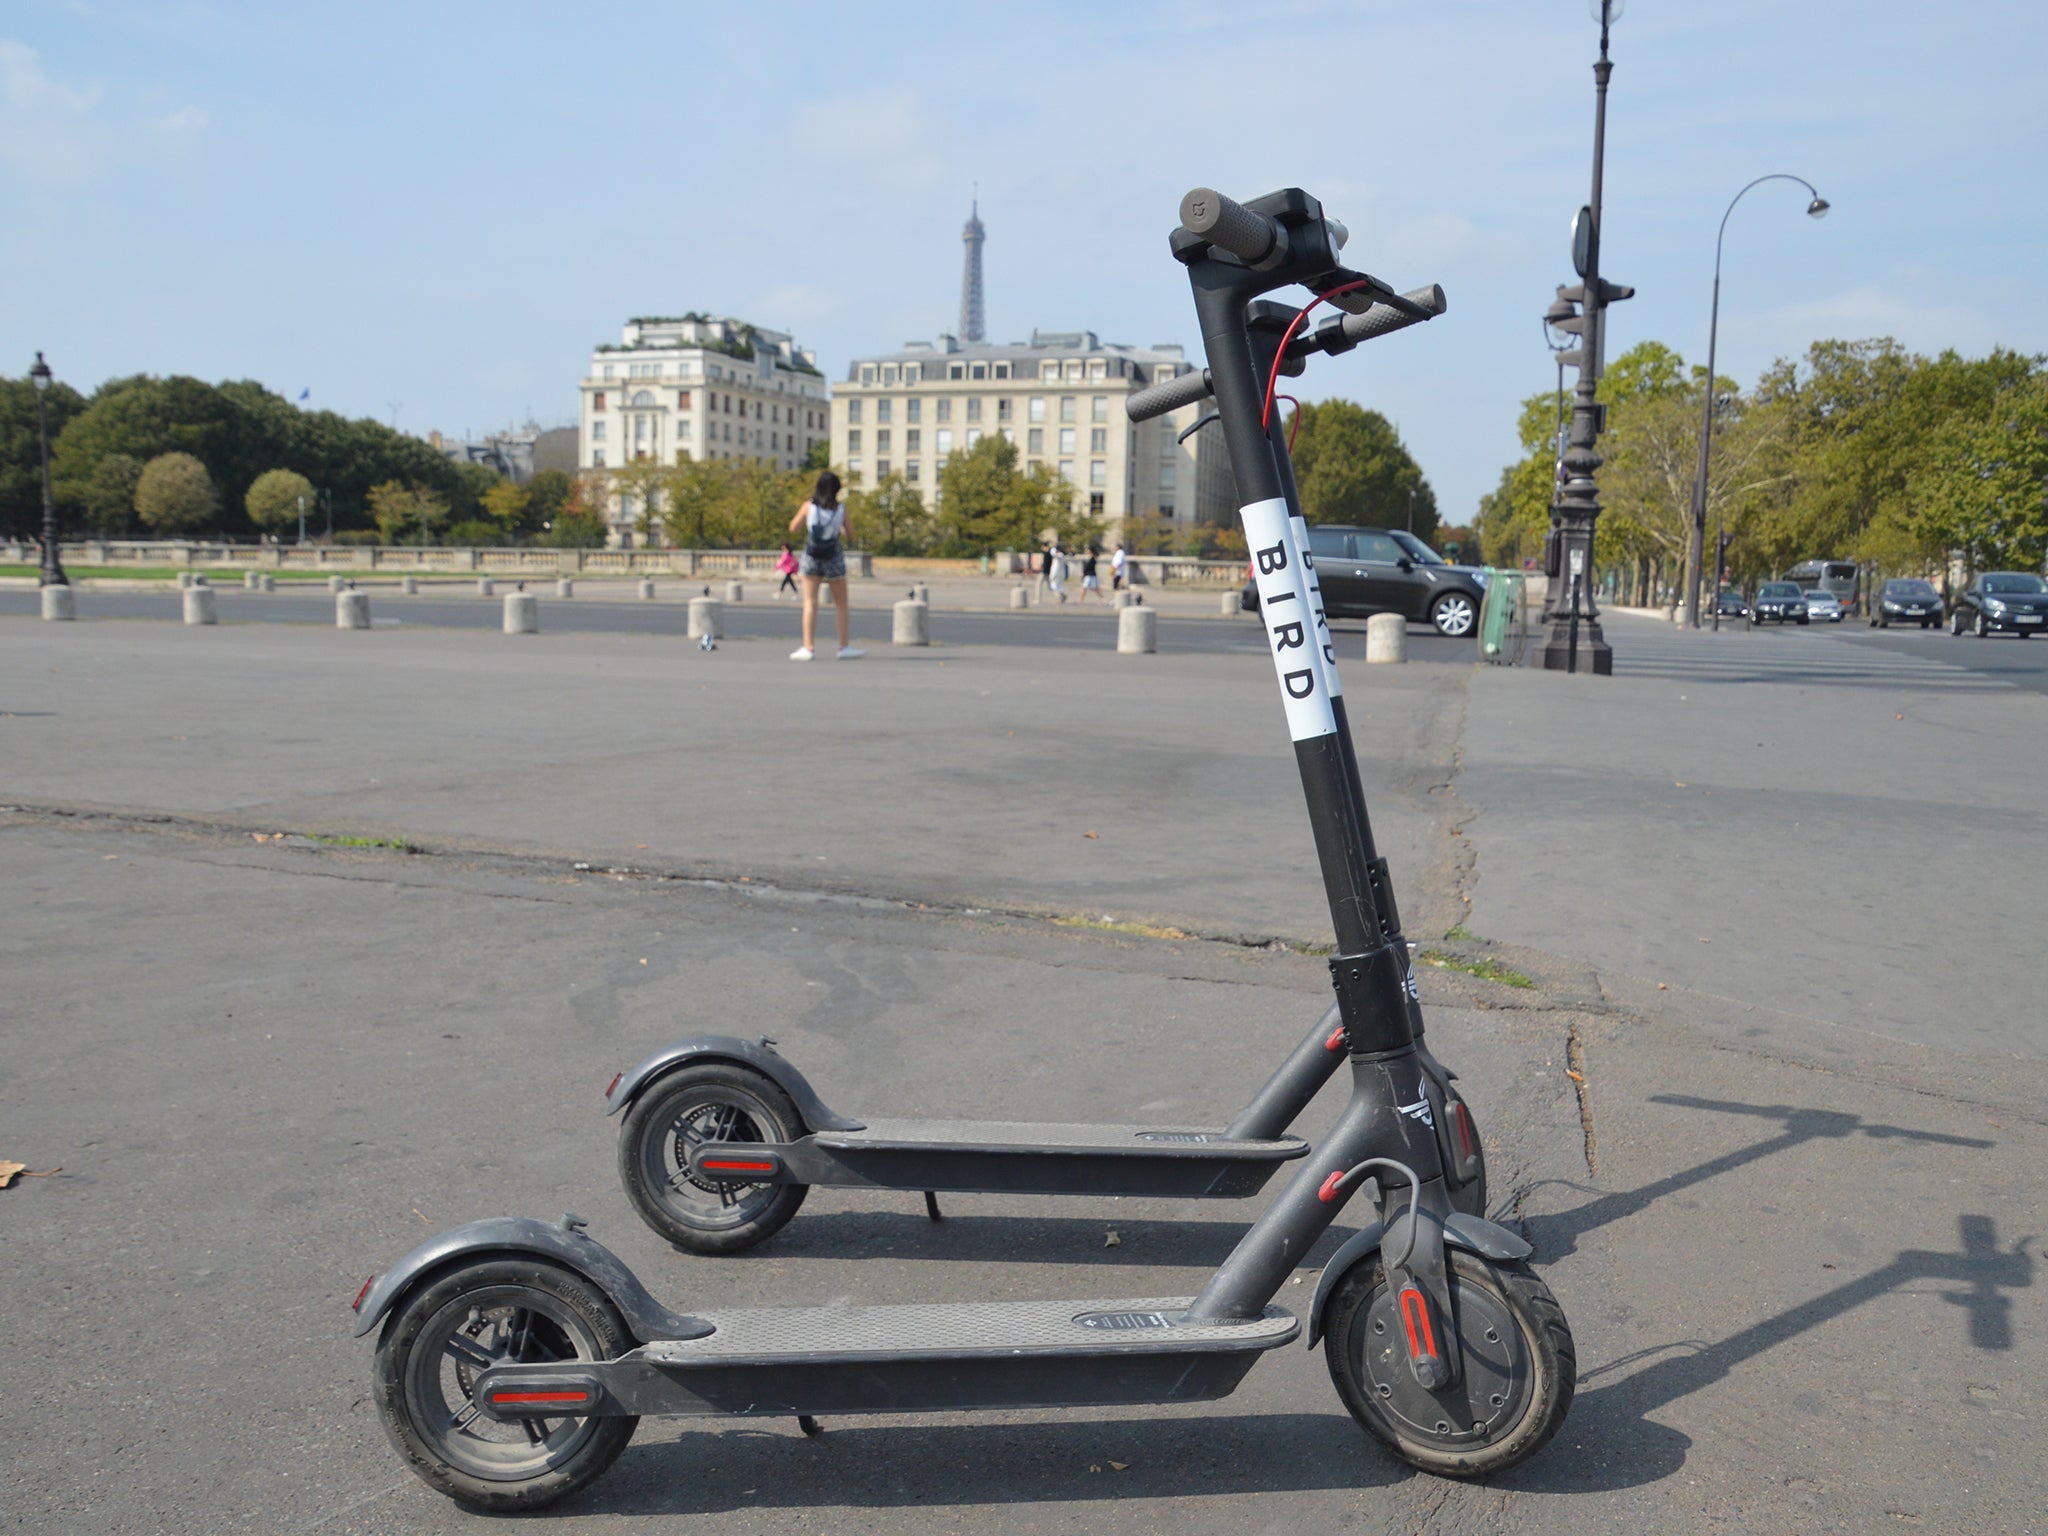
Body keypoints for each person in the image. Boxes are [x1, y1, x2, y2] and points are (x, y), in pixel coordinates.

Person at [787, 472, 863, 660]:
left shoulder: (808, 506)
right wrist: (840, 528)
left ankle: (808, 647)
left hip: (812, 556)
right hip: (833, 557)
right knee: (841, 604)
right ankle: (843, 646)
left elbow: (793, 527)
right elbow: (852, 535)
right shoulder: (841, 510)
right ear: (837, 490)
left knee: (810, 602)